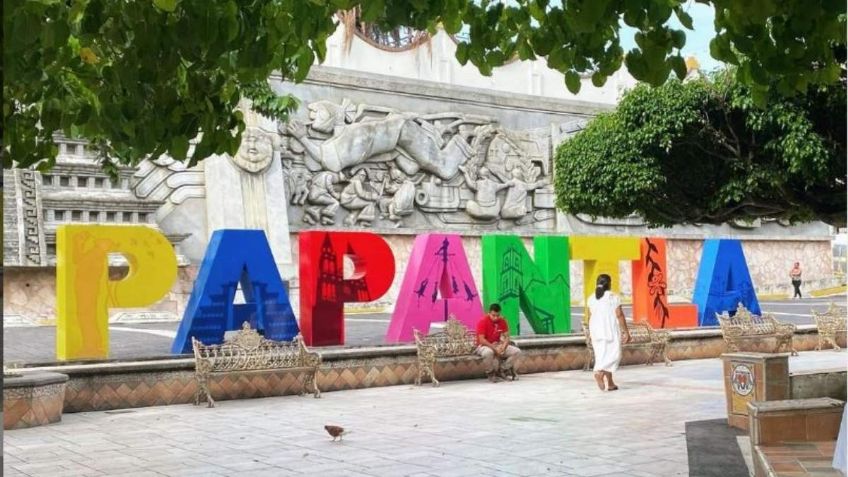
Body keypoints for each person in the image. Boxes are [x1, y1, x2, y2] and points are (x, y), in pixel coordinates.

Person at [586, 274, 631, 392]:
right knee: (614, 355)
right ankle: (599, 373)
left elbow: (590, 316)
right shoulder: (612, 297)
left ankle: (610, 383)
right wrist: (626, 332)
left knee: (602, 356)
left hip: (596, 332)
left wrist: (590, 333)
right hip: (610, 331)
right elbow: (619, 315)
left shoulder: (591, 298)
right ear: (609, 284)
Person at [475, 303, 521, 382]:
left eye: (497, 315)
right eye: (493, 315)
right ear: (489, 313)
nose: (495, 318)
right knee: (488, 353)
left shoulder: (502, 321)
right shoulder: (483, 321)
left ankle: (502, 370)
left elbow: (507, 337)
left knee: (517, 351)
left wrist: (503, 347)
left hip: (497, 345)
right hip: (483, 346)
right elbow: (482, 340)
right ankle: (491, 373)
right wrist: (495, 349)